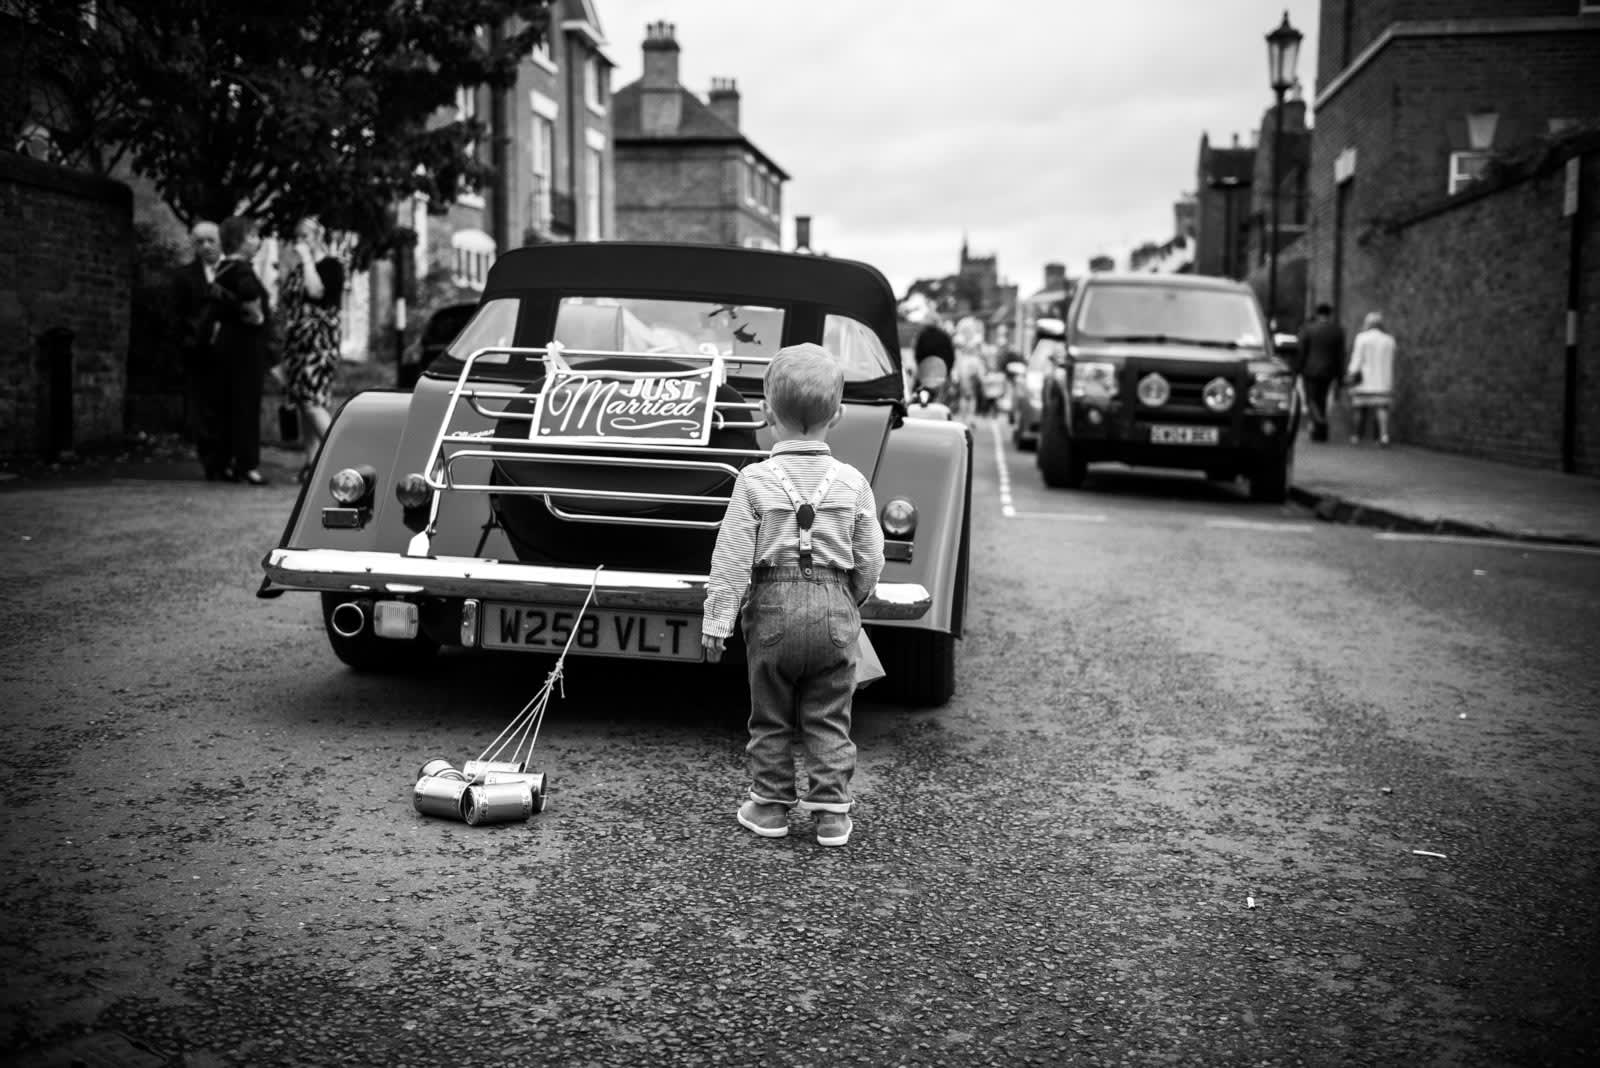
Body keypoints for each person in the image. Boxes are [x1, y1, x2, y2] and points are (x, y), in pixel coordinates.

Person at [701, 343, 885, 848]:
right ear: (839, 414)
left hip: (775, 612)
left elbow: (733, 555)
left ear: (766, 412)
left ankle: (769, 806)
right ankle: (831, 815)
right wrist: (854, 598)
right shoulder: (852, 482)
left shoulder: (754, 481)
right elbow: (870, 554)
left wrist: (717, 622)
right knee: (829, 714)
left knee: (772, 714)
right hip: (835, 608)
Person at [278, 216, 346, 481]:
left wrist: (307, 258)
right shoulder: (298, 270)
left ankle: (339, 457)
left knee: (311, 402)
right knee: (303, 403)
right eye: (298, 238)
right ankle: (312, 463)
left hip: (319, 345)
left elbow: (316, 292)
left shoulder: (331, 266)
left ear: (317, 236)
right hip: (298, 344)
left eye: (305, 237)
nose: (300, 243)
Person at [212, 215, 272, 484]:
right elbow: (251, 304)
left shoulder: (222, 268)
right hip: (247, 346)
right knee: (247, 404)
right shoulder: (244, 271)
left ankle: (223, 461)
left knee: (225, 402)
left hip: (226, 342)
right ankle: (247, 464)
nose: (257, 241)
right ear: (241, 239)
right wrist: (258, 317)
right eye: (253, 236)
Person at [172, 220, 226, 479]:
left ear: (220, 242)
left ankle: (227, 458)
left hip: (228, 352)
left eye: (211, 241)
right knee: (201, 408)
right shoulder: (184, 276)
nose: (205, 246)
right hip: (199, 352)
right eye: (200, 242)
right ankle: (211, 462)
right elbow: (177, 315)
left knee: (226, 407)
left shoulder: (233, 271)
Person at [1295, 302, 1347, 443]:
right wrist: (1341, 376)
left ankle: (1320, 423)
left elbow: (1301, 351)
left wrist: (1297, 369)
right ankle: (1320, 433)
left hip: (1310, 371)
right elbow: (1341, 355)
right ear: (1330, 314)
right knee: (1322, 400)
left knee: (1311, 400)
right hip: (1329, 371)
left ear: (1317, 314)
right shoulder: (1337, 331)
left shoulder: (1308, 329)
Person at [1346, 311, 1397, 446]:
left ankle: (1356, 436)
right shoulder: (1389, 340)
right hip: (1382, 380)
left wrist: (1351, 373)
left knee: (1359, 408)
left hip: (1365, 380)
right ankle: (1384, 436)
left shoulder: (1362, 338)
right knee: (1382, 408)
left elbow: (1357, 359)